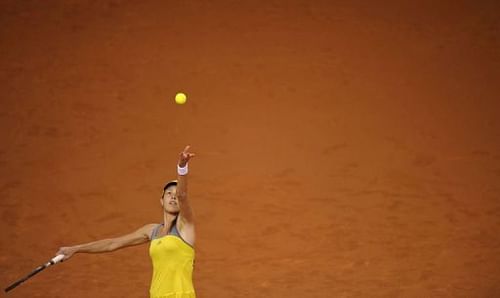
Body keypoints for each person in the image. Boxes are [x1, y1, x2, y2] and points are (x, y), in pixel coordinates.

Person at [57, 145, 197, 298]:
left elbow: (183, 195)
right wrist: (75, 248)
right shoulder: (152, 231)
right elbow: (113, 244)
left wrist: (182, 167)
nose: (173, 196)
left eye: (175, 194)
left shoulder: (185, 226)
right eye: (168, 193)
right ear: (161, 201)